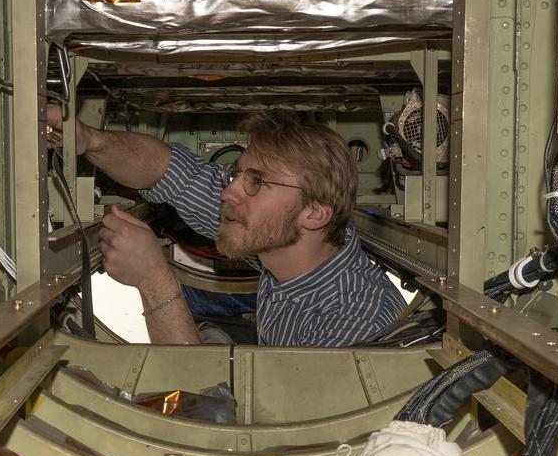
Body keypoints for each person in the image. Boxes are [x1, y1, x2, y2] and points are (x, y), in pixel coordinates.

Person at [56, 109, 404, 346]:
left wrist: (153, 279)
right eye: (238, 174)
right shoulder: (289, 245)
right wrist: (88, 140)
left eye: (256, 181)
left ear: (314, 214)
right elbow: (170, 172)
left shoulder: (354, 323)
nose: (229, 190)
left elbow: (245, 430)